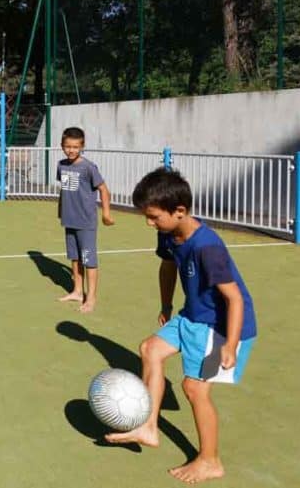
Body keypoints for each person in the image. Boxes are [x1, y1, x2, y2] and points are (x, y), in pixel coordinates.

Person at [107, 168, 257, 484]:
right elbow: (167, 265)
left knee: (194, 388)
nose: (149, 223)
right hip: (192, 316)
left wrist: (229, 345)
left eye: (153, 217)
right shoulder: (169, 232)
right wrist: (165, 305)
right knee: (150, 350)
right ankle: (148, 426)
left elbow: (235, 300)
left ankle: (210, 460)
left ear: (180, 211)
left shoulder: (207, 248)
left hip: (222, 325)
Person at [56, 126, 113, 312]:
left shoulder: (88, 167)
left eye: (75, 146)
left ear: (82, 146)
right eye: (67, 146)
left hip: (86, 222)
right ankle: (78, 292)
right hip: (69, 220)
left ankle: (91, 297)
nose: (71, 150)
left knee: (89, 259)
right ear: (62, 146)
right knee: (74, 257)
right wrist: (61, 211)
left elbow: (104, 189)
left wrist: (106, 213)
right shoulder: (61, 165)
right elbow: (64, 191)